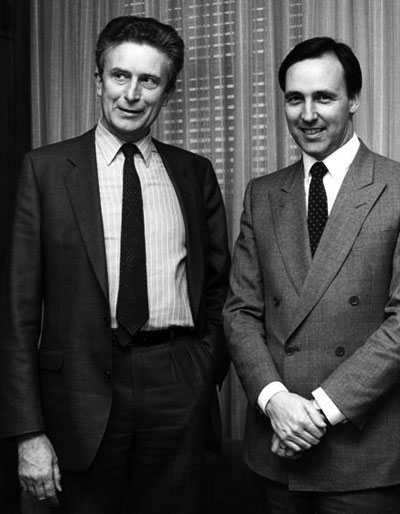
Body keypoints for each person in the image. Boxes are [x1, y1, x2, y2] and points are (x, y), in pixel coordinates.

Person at [0, 15, 230, 514]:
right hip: (78, 392)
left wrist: (200, 371)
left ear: (167, 91)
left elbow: (219, 288)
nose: (131, 93)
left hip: (176, 380)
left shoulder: (193, 173)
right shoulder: (45, 171)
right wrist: (27, 432)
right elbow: (18, 315)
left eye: (149, 80)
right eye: (120, 75)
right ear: (98, 80)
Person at [223, 36, 400, 513]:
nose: (308, 114)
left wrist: (317, 412)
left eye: (324, 97)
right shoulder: (263, 194)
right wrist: (275, 401)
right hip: (276, 448)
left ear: (354, 99)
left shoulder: (396, 187)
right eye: (295, 99)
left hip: (364, 456)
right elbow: (240, 311)